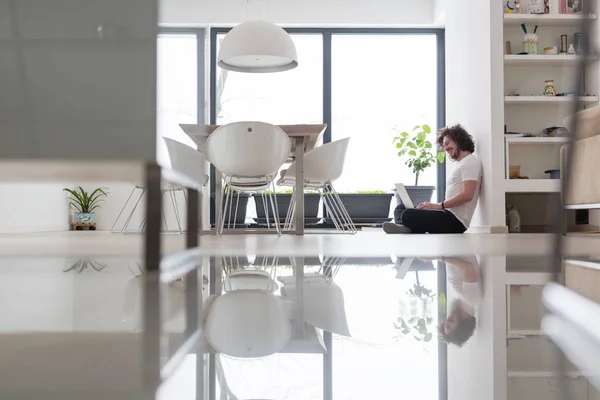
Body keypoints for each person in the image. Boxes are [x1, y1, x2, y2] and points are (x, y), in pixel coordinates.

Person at [383, 124, 482, 234]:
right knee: (400, 208)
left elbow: (467, 195)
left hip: (456, 221)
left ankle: (406, 227)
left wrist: (438, 206)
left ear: (457, 140)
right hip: (447, 213)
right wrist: (433, 207)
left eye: (447, 143)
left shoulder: (470, 162)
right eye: (444, 146)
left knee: (407, 214)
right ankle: (405, 227)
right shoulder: (463, 163)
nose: (445, 148)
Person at [437, 256, 482, 347]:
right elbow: (468, 268)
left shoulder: (461, 301)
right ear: (461, 327)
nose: (447, 322)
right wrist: (440, 259)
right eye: (449, 326)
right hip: (458, 245)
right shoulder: (471, 299)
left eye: (445, 324)